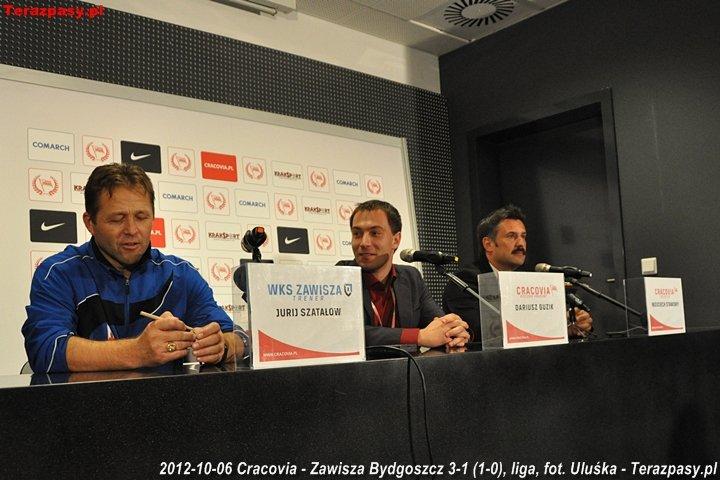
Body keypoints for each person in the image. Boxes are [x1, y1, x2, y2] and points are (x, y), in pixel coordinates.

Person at [23, 163, 246, 373]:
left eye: (141, 217)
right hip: (87, 401)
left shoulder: (180, 274)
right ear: (90, 223)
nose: (131, 230)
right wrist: (137, 352)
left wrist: (221, 346)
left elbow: (238, 338)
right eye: (117, 219)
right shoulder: (59, 273)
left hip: (170, 400)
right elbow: (45, 350)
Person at [442, 204, 592, 339]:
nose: (521, 243)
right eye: (511, 236)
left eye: (523, 236)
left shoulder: (527, 280)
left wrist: (572, 325)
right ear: (488, 244)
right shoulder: (464, 281)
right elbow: (483, 331)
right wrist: (556, 324)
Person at [337, 200, 470, 348]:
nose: (364, 242)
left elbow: (438, 323)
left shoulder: (411, 277)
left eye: (375, 233)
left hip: (408, 363)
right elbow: (345, 332)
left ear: (396, 240)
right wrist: (418, 336)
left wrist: (454, 332)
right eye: (357, 233)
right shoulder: (339, 276)